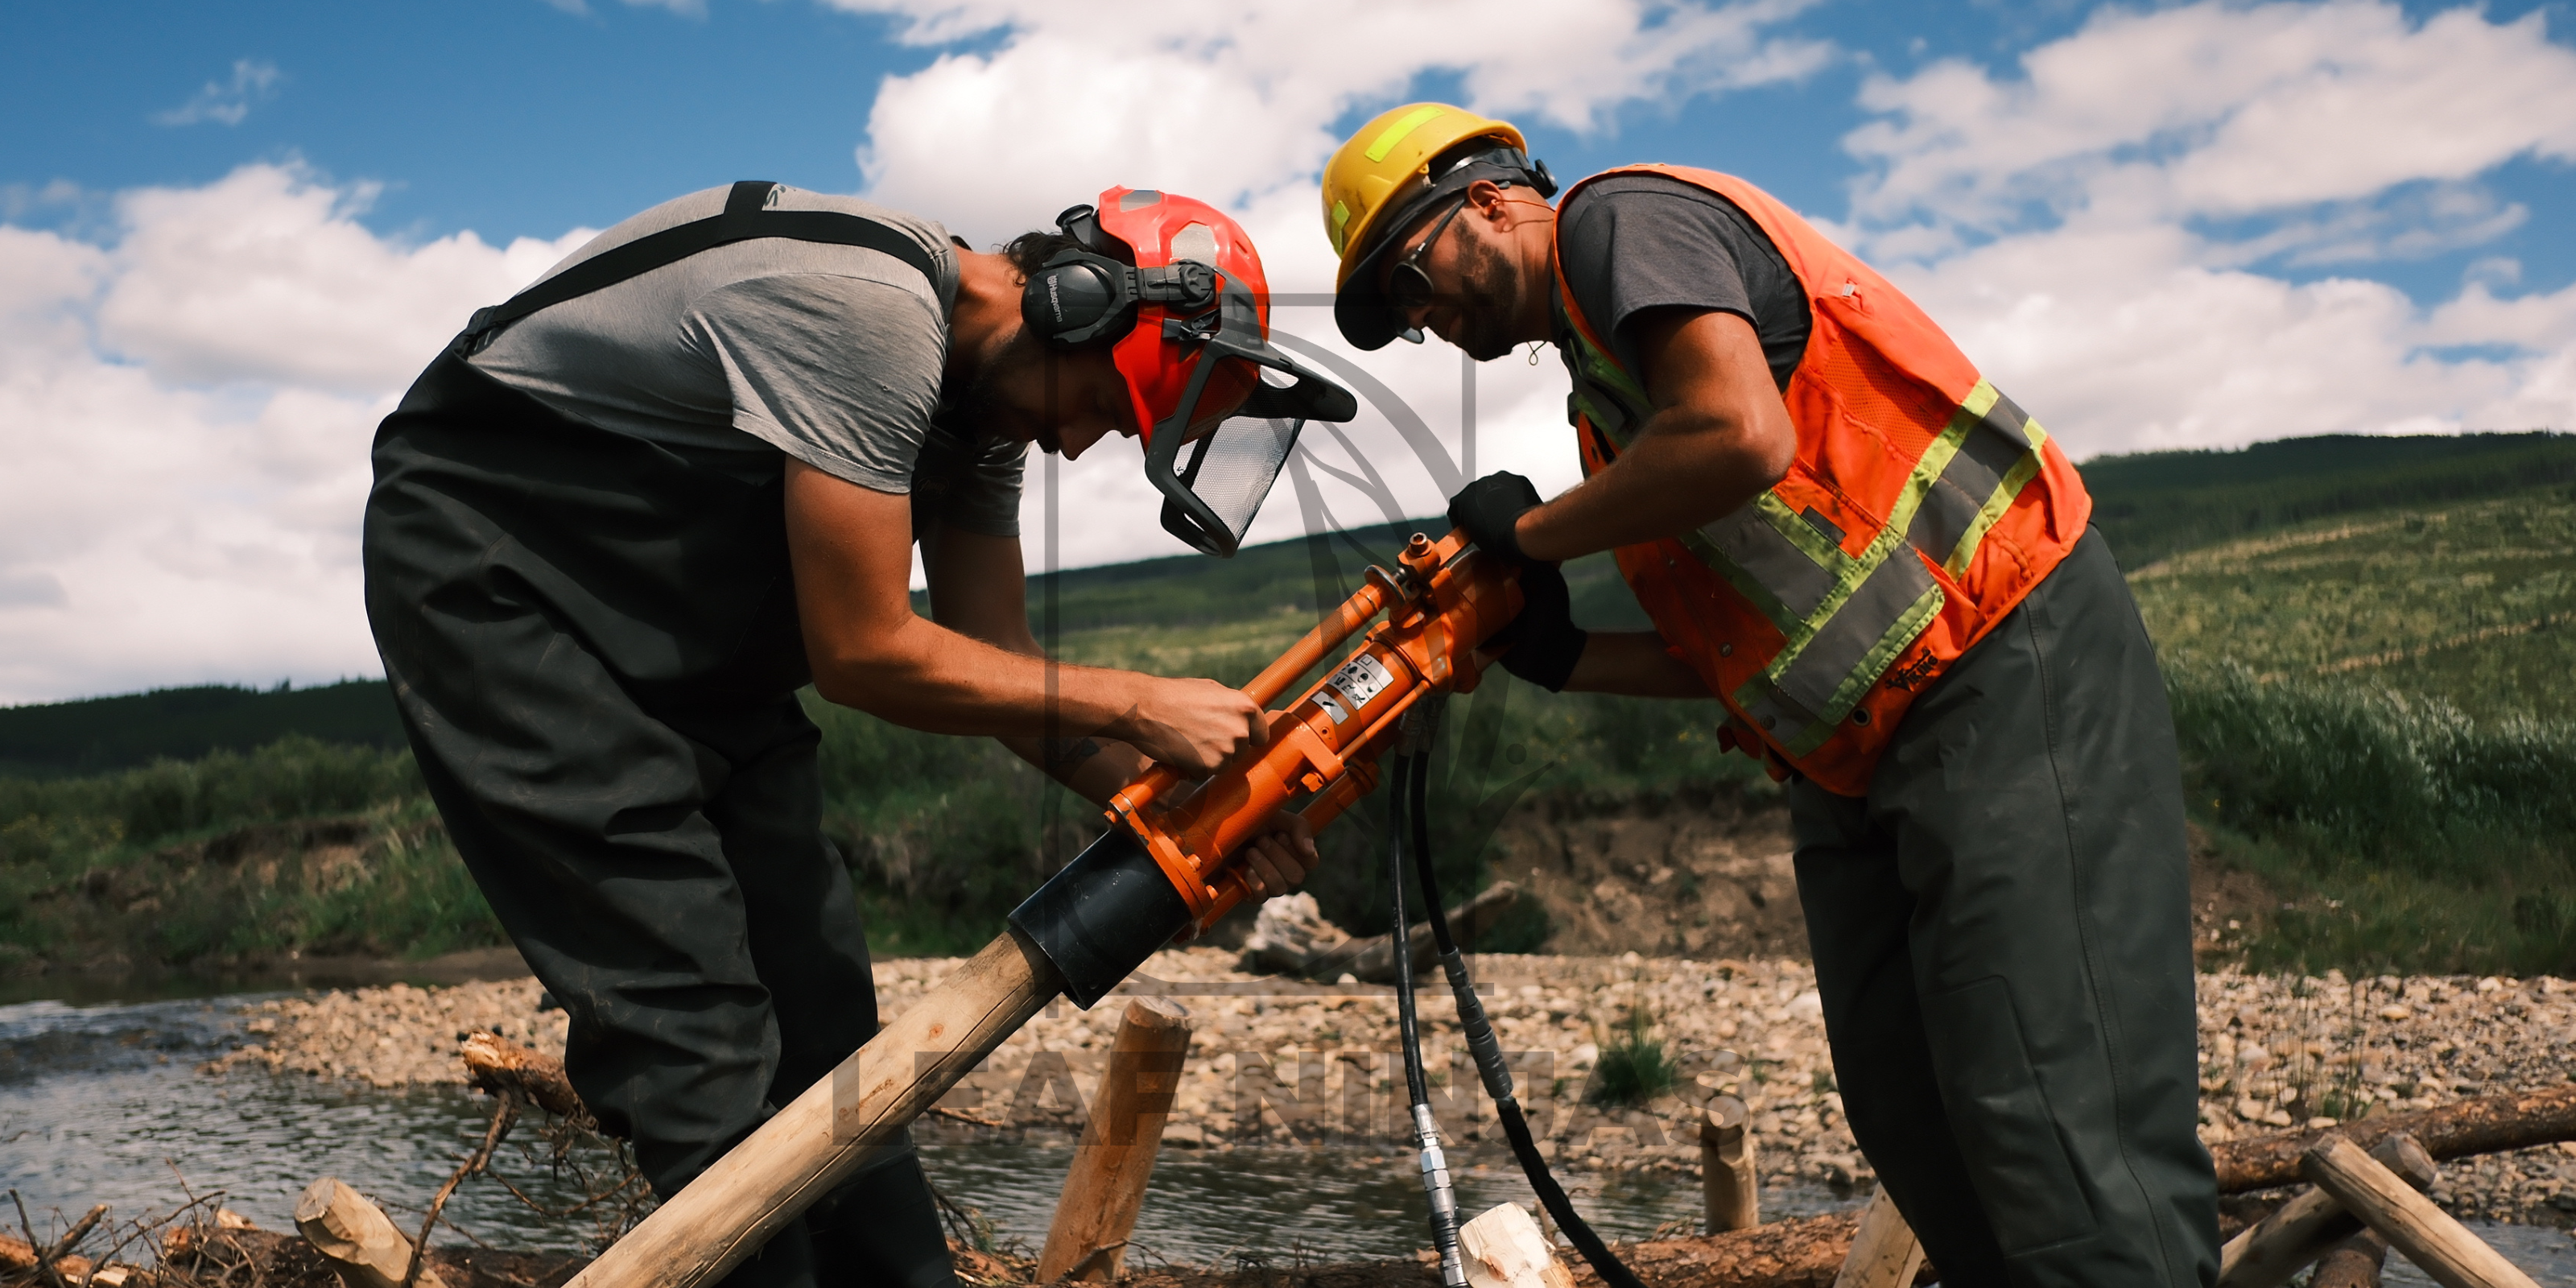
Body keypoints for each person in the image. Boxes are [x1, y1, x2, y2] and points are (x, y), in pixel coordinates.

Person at [362, 181, 1349, 1288]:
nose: (1078, 446)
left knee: (825, 1011)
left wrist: (1207, 817)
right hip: (498, 570)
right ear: (1075, 305)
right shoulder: (869, 318)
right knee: (693, 1026)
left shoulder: (983, 417)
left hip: (688, 626)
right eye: (1103, 408)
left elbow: (1006, 668)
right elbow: (868, 653)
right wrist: (1138, 702)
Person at [1321, 105, 2217, 1287]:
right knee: (1915, 1116)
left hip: (2002, 668)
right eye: (1397, 316)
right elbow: (1728, 654)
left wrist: (1532, 539)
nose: (1420, 320)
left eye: (1408, 277)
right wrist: (1563, 651)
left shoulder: (1618, 222)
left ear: (1487, 197)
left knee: (2052, 1116)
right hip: (1857, 759)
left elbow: (1740, 433)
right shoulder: (1612, 422)